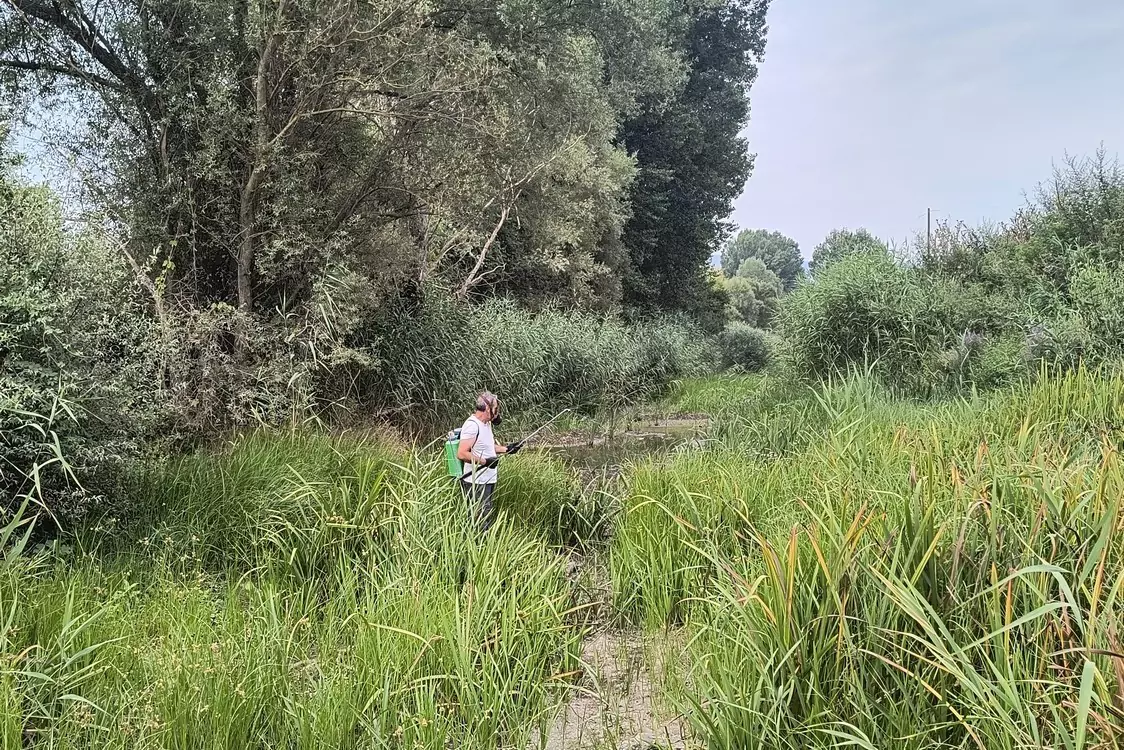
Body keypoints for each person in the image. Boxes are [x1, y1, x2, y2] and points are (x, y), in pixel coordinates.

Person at [456, 391, 523, 532]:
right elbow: (462, 453)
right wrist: (484, 461)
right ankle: (478, 547)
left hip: (488, 479)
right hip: (476, 481)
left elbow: (486, 446)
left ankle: (483, 546)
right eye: (496, 408)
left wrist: (507, 449)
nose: (497, 412)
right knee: (480, 519)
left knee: (486, 514)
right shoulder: (472, 425)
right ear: (487, 408)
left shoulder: (486, 424)